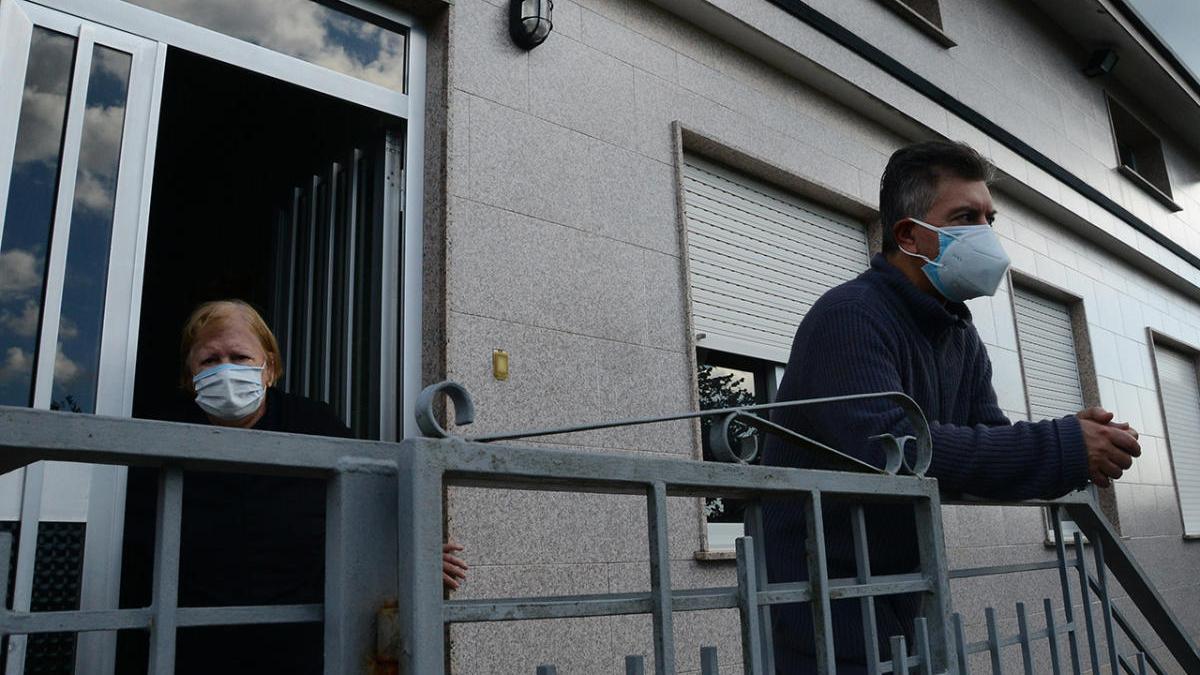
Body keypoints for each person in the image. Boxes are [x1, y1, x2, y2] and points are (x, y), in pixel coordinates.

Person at [760, 141, 1141, 673]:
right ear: (909, 236)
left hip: (900, 591)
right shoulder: (848, 316)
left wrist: (1073, 447)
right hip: (819, 598)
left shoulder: (958, 334)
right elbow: (894, 449)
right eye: (965, 217)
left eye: (989, 218)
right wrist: (1059, 445)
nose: (985, 234)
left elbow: (985, 444)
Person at [117, 300, 468, 674]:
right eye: (209, 360)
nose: (226, 369)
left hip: (301, 638)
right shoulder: (161, 435)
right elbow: (137, 551)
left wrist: (413, 552)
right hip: (193, 641)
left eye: (240, 356)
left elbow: (372, 493)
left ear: (268, 368)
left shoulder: (314, 423)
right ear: (190, 374)